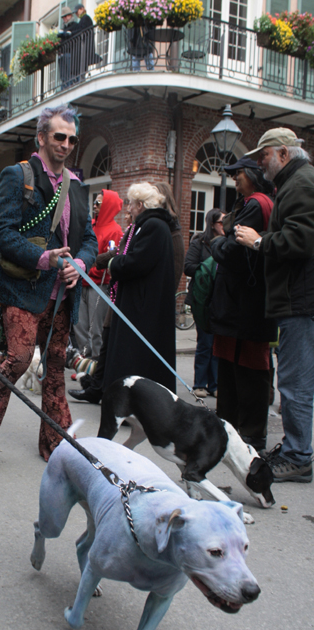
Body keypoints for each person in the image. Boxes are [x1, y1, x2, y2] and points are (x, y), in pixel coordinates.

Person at [0, 104, 97, 465]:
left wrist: (80, 264)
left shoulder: (77, 186)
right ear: (41, 138)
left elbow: (90, 239)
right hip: (23, 289)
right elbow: (1, 233)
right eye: (59, 136)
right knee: (19, 360)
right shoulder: (17, 175)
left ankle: (57, 443)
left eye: (72, 139)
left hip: (63, 295)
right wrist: (43, 258)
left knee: (55, 366)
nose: (66, 144)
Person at [235, 128, 314, 483]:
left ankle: (298, 456)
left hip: (300, 301)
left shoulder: (300, 184)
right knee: (296, 381)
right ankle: (295, 450)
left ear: (283, 153)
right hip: (299, 298)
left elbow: (301, 240)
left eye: (263, 155)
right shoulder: (295, 182)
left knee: (295, 383)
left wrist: (258, 241)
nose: (259, 164)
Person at [210, 158, 276, 451]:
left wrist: (215, 243)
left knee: (248, 369)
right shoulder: (253, 203)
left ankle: (248, 433)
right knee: (233, 366)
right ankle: (232, 428)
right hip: (241, 303)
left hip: (245, 304)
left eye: (239, 173)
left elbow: (233, 251)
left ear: (253, 175)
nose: (235, 177)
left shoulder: (256, 204)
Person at [102, 182, 176, 393]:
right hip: (142, 301)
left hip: (143, 306)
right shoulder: (151, 225)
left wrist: (113, 263)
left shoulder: (153, 226)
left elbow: (138, 262)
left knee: (135, 356)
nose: (129, 209)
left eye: (131, 204)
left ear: (141, 205)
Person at [73, 189, 123, 359]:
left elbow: (109, 259)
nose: (94, 206)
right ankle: (84, 360)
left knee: (96, 328)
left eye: (98, 203)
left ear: (108, 205)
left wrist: (87, 268)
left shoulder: (115, 231)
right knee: (79, 325)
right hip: (81, 281)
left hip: (99, 285)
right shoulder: (90, 225)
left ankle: (97, 363)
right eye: (94, 202)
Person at [184, 208, 225, 398]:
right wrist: (208, 267)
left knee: (218, 343)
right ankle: (200, 383)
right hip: (202, 299)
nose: (224, 226)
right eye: (221, 222)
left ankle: (214, 384)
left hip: (220, 300)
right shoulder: (199, 242)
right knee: (205, 342)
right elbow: (188, 267)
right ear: (212, 224)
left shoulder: (227, 243)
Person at [58, 6, 80, 88]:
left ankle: (72, 84)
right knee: (64, 75)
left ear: (70, 15)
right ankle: (64, 87)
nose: (64, 18)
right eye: (63, 17)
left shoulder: (75, 25)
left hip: (71, 53)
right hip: (63, 54)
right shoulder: (63, 28)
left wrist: (67, 34)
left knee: (71, 73)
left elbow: (76, 36)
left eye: (65, 16)